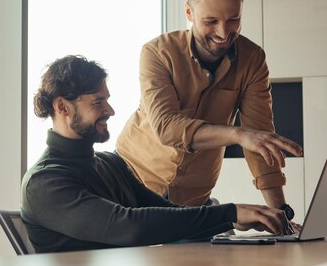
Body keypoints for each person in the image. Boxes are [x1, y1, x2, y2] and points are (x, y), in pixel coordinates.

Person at [20, 55, 294, 254]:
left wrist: (234, 218)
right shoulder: (45, 183)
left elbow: (168, 213)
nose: (110, 110)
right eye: (98, 102)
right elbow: (129, 226)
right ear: (62, 107)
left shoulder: (109, 164)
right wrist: (228, 212)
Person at [116, 0, 302, 221]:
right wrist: (238, 135)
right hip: (132, 187)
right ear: (189, 12)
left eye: (233, 19)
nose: (224, 33)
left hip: (194, 201)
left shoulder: (253, 59)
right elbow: (167, 127)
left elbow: (259, 138)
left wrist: (282, 214)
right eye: (211, 21)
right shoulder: (157, 53)